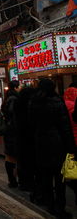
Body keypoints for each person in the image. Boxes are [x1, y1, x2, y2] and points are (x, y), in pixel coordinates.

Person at [30, 79, 74, 217]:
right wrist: (71, 147)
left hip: (40, 143)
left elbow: (31, 125)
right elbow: (65, 127)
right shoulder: (57, 102)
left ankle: (49, 204)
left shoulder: (34, 103)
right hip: (57, 144)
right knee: (59, 178)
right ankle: (60, 207)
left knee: (46, 176)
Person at [2, 80, 21, 188]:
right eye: (19, 86)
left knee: (9, 157)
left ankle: (12, 180)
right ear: (15, 88)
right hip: (13, 132)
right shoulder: (14, 99)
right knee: (13, 157)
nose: (20, 88)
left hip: (8, 131)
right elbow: (13, 114)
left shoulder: (6, 98)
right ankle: (14, 180)